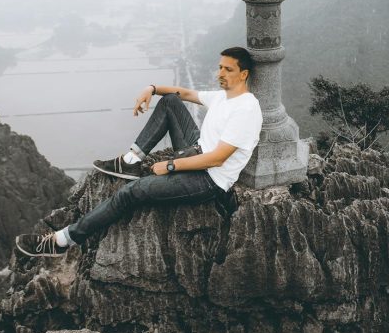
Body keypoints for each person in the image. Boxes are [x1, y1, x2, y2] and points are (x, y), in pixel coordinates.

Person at [15, 46, 262, 257]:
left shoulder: (246, 109)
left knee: (131, 192)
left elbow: (218, 159)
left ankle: (62, 241)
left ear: (244, 74)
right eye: (220, 67)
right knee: (170, 101)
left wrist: (170, 166)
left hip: (208, 179)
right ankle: (131, 160)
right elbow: (184, 94)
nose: (220, 73)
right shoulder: (223, 97)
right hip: (195, 151)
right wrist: (152, 88)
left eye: (228, 70)